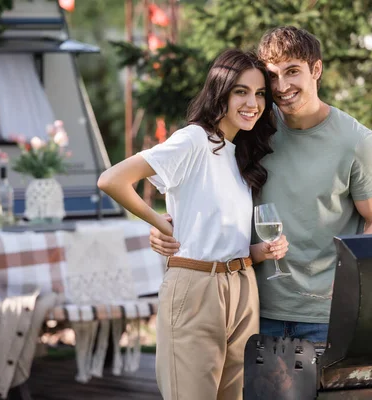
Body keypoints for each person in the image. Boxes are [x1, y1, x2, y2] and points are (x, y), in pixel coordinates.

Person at [148, 26, 372, 343]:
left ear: (316, 70)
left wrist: (351, 280)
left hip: (326, 314)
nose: (281, 86)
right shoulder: (253, 126)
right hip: (250, 305)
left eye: (292, 72)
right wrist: (167, 225)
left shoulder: (357, 142)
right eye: (272, 75)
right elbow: (207, 184)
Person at [97, 49, 289, 400]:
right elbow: (112, 179)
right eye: (241, 91)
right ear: (221, 91)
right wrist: (162, 225)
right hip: (197, 286)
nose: (253, 103)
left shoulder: (240, 153)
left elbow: (213, 229)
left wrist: (258, 252)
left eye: (260, 93)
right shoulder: (194, 140)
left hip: (243, 285)